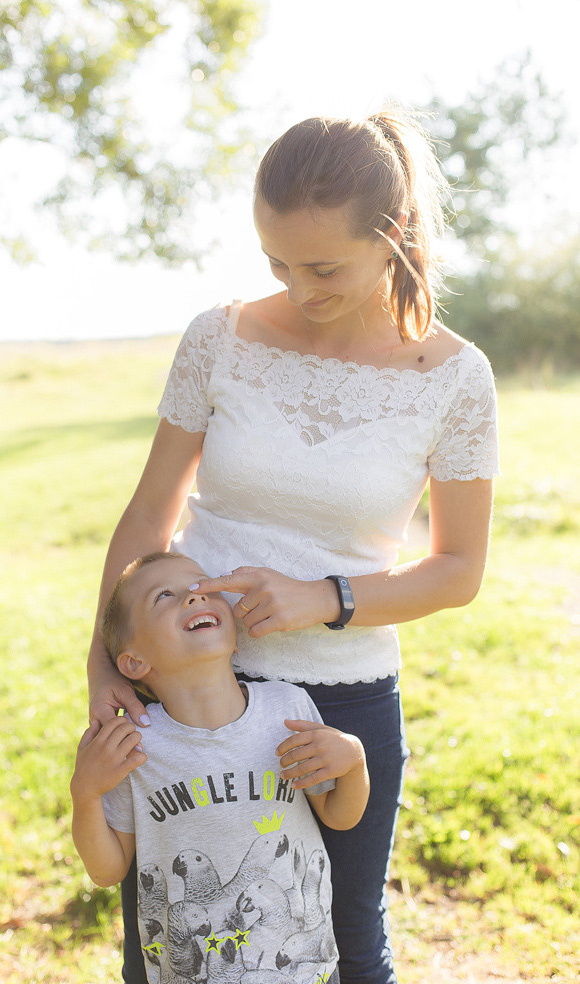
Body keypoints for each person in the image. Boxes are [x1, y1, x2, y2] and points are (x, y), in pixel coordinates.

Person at [86, 111, 499, 984]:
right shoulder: (220, 337)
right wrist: (104, 666)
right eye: (276, 262)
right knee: (170, 933)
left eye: (322, 267)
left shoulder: (457, 379)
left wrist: (327, 598)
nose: (297, 286)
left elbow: (459, 572)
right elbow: (148, 515)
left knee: (345, 937)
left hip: (343, 704)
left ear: (392, 239)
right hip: (194, 687)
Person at [72, 551, 370, 984]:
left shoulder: (287, 709)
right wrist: (85, 794)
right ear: (134, 662)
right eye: (165, 596)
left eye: (201, 586)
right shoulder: (133, 745)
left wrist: (354, 759)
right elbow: (106, 870)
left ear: (236, 636)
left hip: (300, 972)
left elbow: (339, 816)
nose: (193, 599)